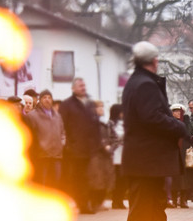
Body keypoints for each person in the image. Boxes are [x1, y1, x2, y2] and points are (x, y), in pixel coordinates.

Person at [122, 41, 193, 221]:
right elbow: (152, 117)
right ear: (155, 60)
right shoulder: (145, 84)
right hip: (147, 159)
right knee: (142, 209)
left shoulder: (136, 82)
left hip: (144, 159)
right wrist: (179, 127)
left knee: (153, 206)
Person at [59, 77, 101, 214]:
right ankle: (77, 203)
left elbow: (95, 125)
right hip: (74, 149)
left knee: (86, 177)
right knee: (75, 178)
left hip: (88, 148)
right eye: (80, 86)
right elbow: (62, 125)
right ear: (73, 88)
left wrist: (96, 143)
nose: (83, 88)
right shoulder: (67, 104)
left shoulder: (90, 104)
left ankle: (84, 204)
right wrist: (68, 144)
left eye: (84, 85)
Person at [25, 89, 64, 189]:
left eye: (49, 97)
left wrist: (62, 143)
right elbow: (29, 136)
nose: (47, 100)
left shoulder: (57, 116)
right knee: (41, 184)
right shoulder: (32, 116)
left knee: (55, 183)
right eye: (44, 97)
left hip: (56, 156)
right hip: (41, 156)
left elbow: (62, 132)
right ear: (40, 100)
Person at [108, 103, 127, 209]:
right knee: (116, 179)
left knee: (123, 179)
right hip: (114, 154)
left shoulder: (125, 123)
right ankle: (115, 200)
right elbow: (111, 137)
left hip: (124, 153)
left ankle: (120, 200)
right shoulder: (110, 124)